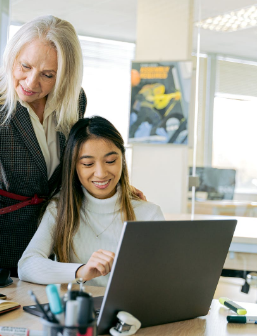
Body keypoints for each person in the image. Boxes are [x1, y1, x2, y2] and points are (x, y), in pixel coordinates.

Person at [0, 15, 87, 291]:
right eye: (25, 66)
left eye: (48, 75)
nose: (31, 82)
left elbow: (75, 164)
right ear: (12, 57)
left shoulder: (74, 100)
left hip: (57, 245)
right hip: (4, 247)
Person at [18, 116, 164, 287]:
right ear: (74, 166)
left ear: (122, 160)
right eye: (88, 164)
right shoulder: (59, 209)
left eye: (110, 161)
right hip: (77, 311)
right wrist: (81, 271)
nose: (101, 173)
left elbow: (166, 277)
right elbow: (26, 266)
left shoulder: (149, 213)